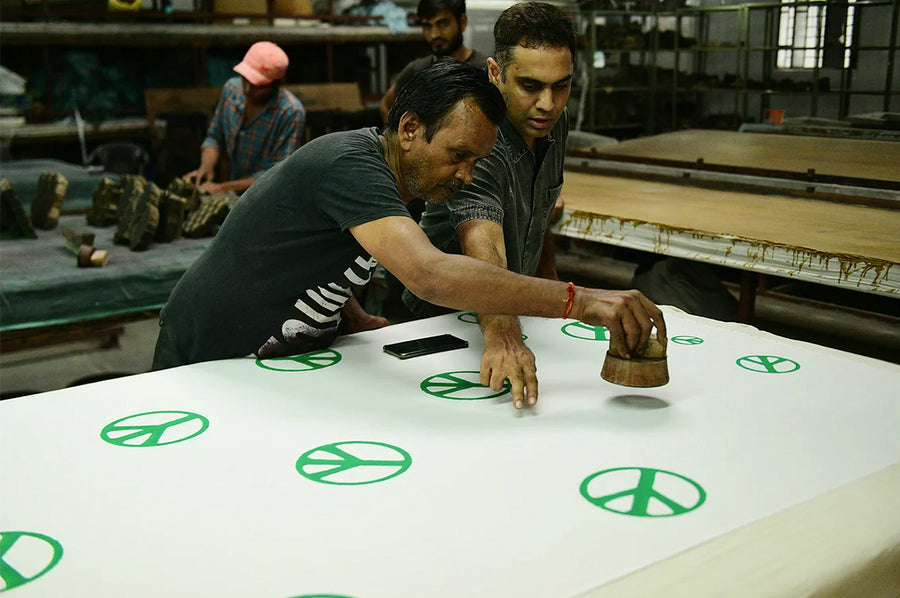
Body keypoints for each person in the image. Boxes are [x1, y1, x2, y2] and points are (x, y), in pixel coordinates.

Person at [153, 61, 666, 410]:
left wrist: (352, 316)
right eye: (459, 155)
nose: (466, 174)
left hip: (266, 363)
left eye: (477, 161)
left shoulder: (395, 177)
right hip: (208, 356)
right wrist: (582, 300)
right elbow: (429, 275)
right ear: (410, 129)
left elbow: (314, 250)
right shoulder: (351, 165)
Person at [402, 2, 577, 408]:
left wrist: (547, 282)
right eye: (530, 86)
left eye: (561, 86)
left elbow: (539, 206)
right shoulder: (481, 137)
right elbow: (480, 236)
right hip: (445, 319)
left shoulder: (552, 123)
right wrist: (503, 335)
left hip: (512, 305)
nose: (548, 104)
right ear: (496, 73)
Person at [184, 41, 305, 195]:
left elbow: (277, 173)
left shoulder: (290, 112)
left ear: (276, 84)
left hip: (268, 195)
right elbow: (215, 137)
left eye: (258, 86)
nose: (248, 89)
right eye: (245, 79)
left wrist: (223, 188)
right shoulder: (232, 90)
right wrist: (206, 168)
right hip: (235, 188)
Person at [378, 0, 489, 122]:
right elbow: (386, 104)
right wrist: (398, 138)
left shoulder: (484, 69)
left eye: (442, 24)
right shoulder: (417, 69)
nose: (434, 34)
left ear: (462, 22)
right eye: (427, 26)